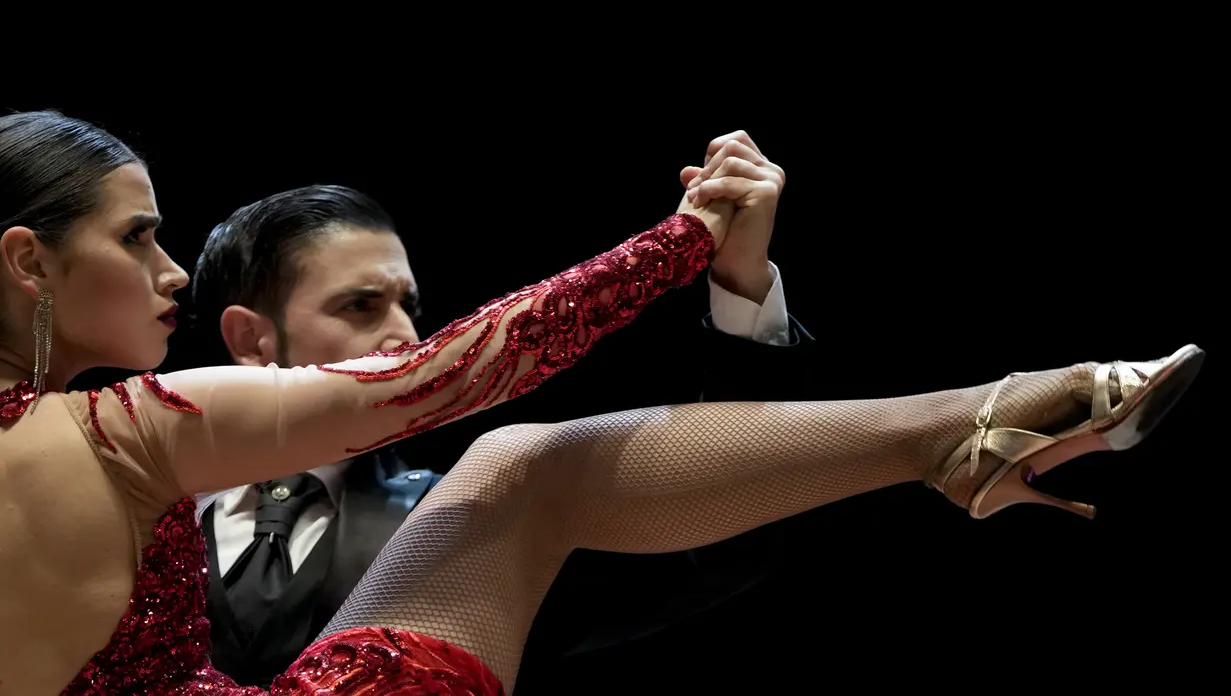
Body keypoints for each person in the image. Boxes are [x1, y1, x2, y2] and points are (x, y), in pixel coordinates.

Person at [0, 111, 1204, 695]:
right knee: (521, 460)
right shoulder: (126, 433)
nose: (165, 271)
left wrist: (740, 296)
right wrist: (678, 242)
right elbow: (461, 369)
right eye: (138, 234)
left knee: (528, 467)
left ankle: (955, 434)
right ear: (27, 260)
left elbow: (740, 512)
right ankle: (970, 420)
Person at [188, 143, 814, 686]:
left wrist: (742, 289)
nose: (405, 334)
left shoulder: (477, 511)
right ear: (252, 340)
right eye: (360, 306)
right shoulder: (130, 497)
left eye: (410, 305)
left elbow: (723, 541)